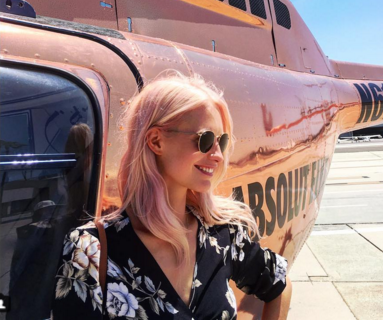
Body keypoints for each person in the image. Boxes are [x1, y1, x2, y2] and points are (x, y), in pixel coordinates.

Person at [52, 71, 292, 319]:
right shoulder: (90, 250)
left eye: (221, 142)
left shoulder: (222, 234)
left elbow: (280, 286)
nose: (218, 155)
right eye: (205, 140)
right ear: (156, 141)